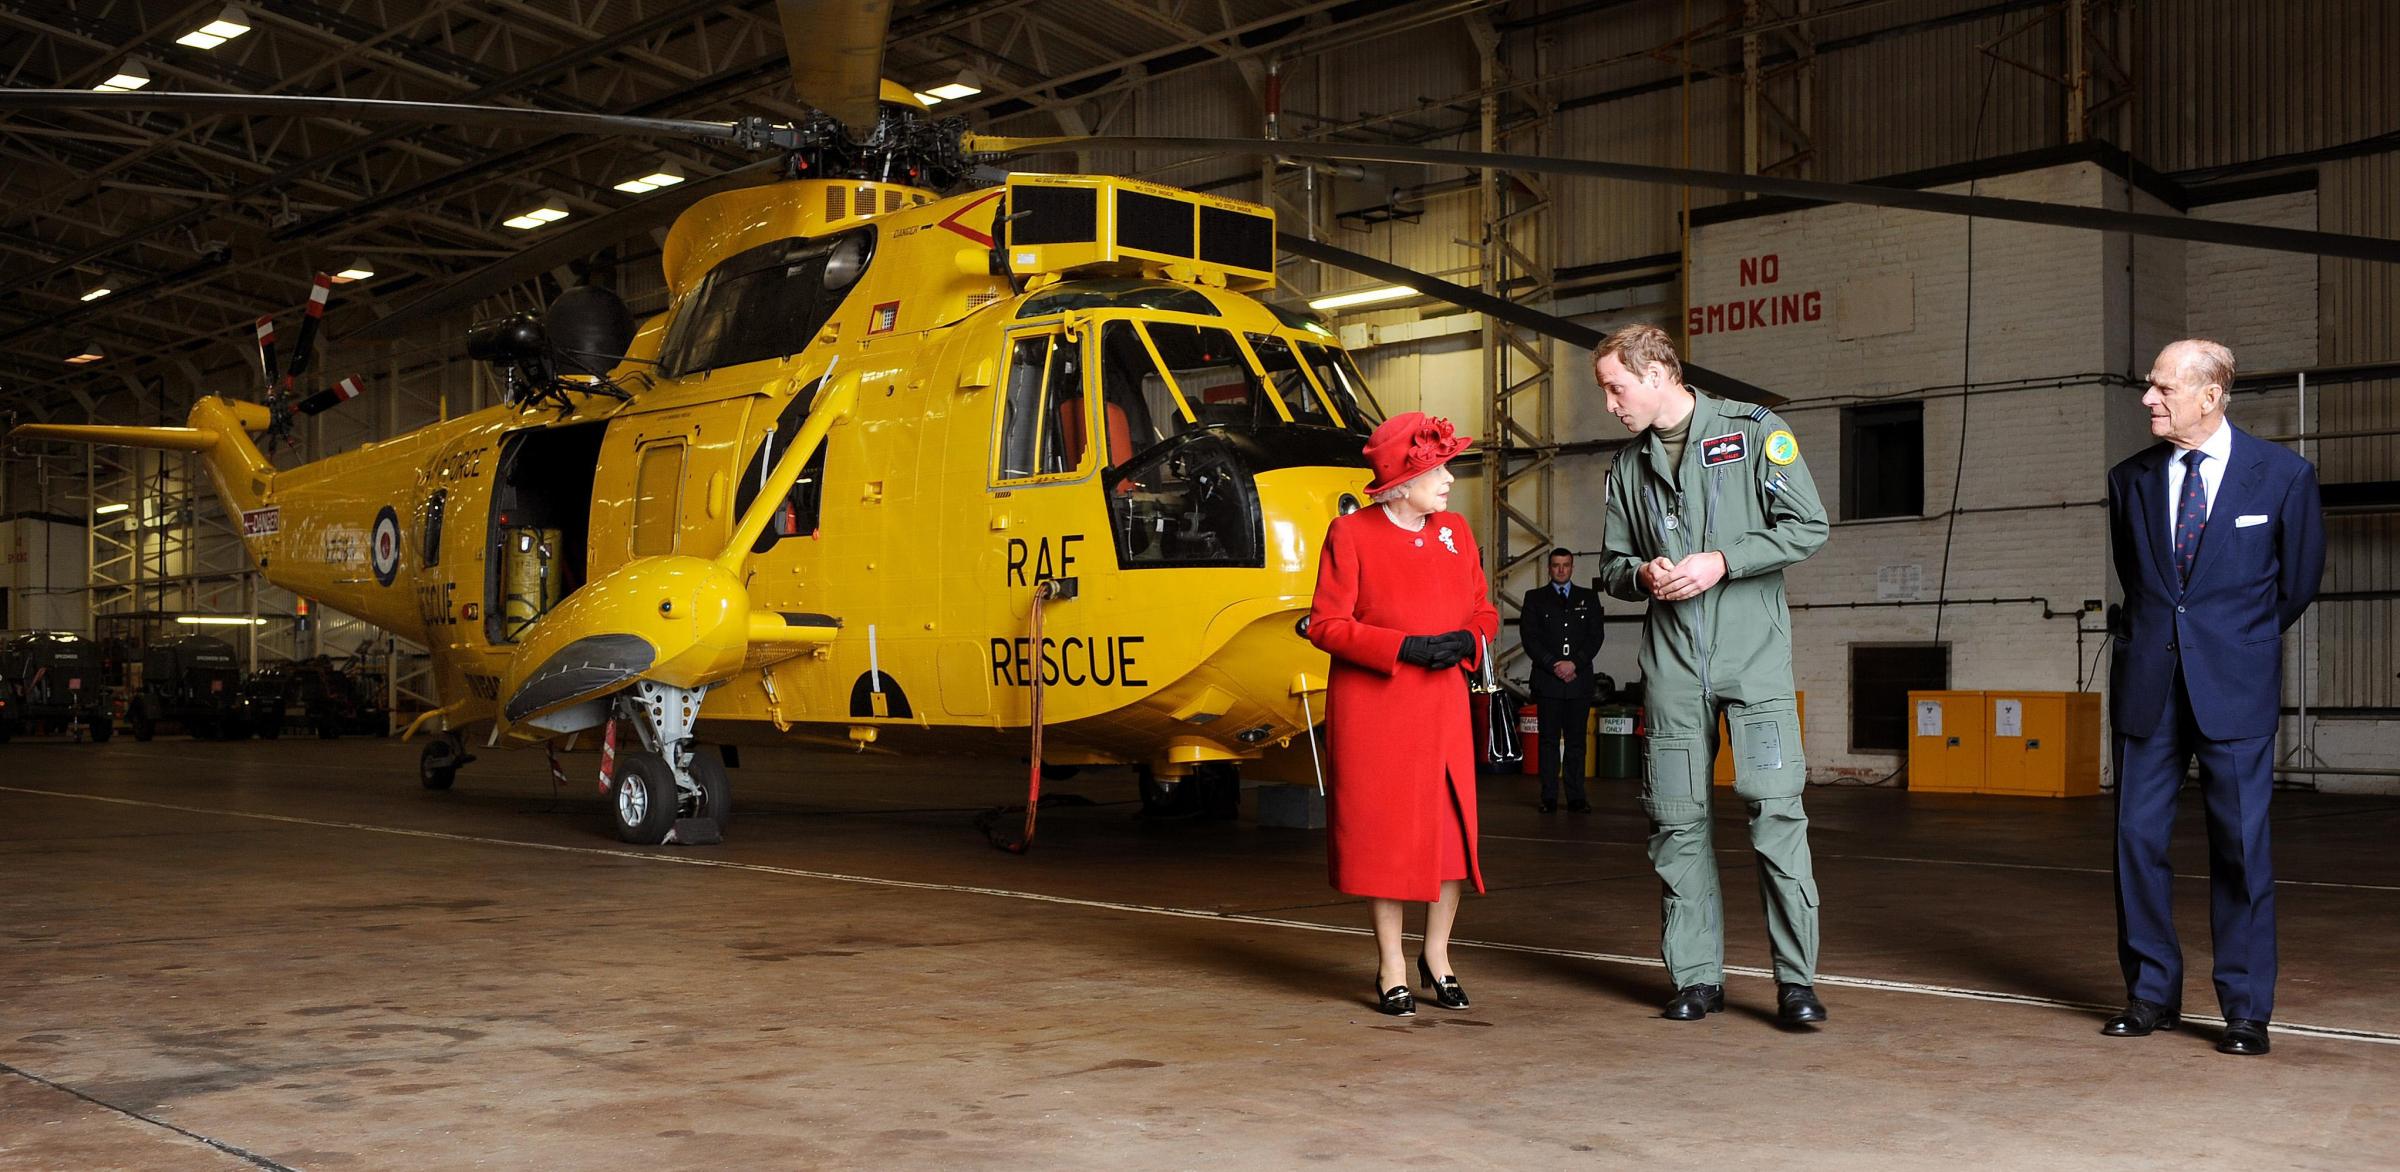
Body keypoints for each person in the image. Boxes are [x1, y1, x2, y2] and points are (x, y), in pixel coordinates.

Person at [1592, 323, 1831, 1026]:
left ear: (1659, 373)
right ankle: (1696, 978)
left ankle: (1796, 983)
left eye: (1616, 388)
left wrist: (1722, 560)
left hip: (1752, 663)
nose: (1610, 404)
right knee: (1677, 822)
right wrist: (1639, 571)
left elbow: (1808, 525)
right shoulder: (1626, 467)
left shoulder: (1755, 431)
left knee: (1776, 813)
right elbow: (1609, 565)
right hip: (1670, 668)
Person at [2102, 339, 2323, 1057]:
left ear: (2211, 395)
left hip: (2235, 688)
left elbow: (2296, 586)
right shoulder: (2128, 479)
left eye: (2162, 388)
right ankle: (2150, 994)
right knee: (2136, 841)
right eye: (2149, 386)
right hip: (2148, 688)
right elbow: (2142, 585)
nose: (2148, 399)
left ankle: (2246, 1009)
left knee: (2240, 849)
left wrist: (2233, 645)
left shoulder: (2283, 477)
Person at [1307, 411, 1500, 1017]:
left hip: (1442, 706)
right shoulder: (1350, 535)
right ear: (1400, 480)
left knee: (1449, 841)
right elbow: (1326, 625)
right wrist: (1401, 647)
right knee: (1385, 840)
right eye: (1437, 468)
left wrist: (1469, 641)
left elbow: (1484, 610)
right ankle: (1391, 963)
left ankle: (1437, 957)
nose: (1447, 480)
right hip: (1377, 711)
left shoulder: (1457, 531)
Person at [1520, 548, 1606, 812]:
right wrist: (1552, 664)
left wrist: (1575, 664)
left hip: (1578, 681)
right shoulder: (1535, 598)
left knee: (1576, 742)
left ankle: (1576, 796)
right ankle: (1548, 797)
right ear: (1549, 568)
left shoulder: (1587, 598)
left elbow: (1596, 636)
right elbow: (1529, 637)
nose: (1561, 570)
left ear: (1572, 567)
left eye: (1565, 565)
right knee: (1547, 742)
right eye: (1556, 565)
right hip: (1548, 681)